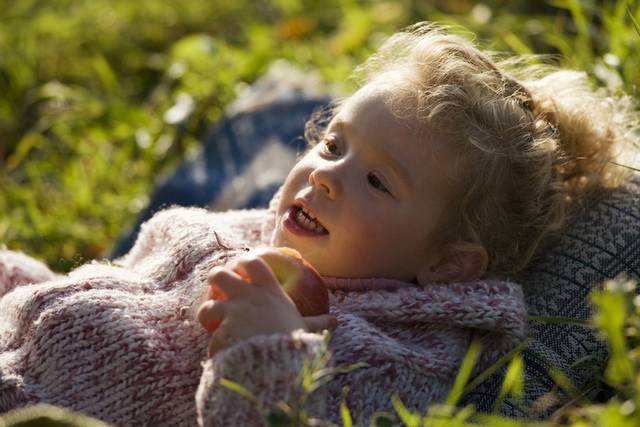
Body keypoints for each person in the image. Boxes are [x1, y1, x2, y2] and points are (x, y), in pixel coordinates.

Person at [0, 22, 634, 426]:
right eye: (334, 145)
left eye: (377, 181)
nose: (325, 174)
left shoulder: (393, 354)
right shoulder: (268, 233)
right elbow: (117, 284)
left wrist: (266, 352)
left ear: (444, 261)